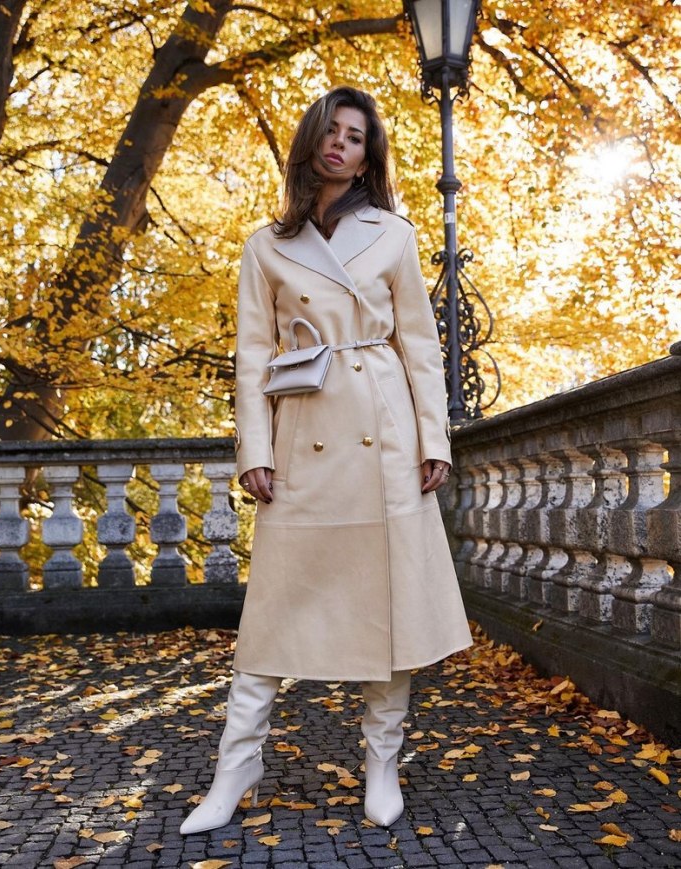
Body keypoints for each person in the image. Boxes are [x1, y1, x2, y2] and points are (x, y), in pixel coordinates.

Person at [180, 85, 472, 835]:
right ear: (312, 140)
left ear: (368, 157)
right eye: (332, 131)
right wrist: (254, 447)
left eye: (356, 136)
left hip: (384, 431)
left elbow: (420, 347)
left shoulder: (395, 235)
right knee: (271, 611)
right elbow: (251, 355)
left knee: (389, 607)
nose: (342, 143)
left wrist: (433, 439)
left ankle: (382, 762)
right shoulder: (264, 245)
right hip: (303, 432)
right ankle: (235, 766)